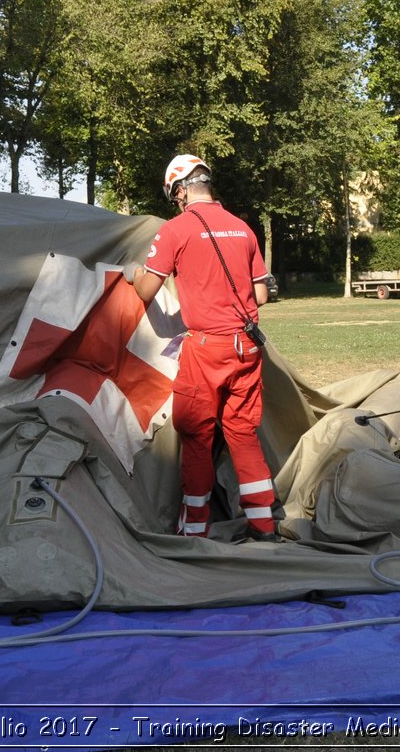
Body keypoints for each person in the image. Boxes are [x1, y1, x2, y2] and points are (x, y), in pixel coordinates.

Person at [124, 154, 278, 543]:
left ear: (179, 189)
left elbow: (145, 291)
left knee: (197, 437)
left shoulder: (176, 230)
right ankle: (264, 526)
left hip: (206, 351)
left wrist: (135, 275)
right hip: (246, 348)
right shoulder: (243, 229)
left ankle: (194, 529)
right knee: (243, 435)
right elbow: (260, 294)